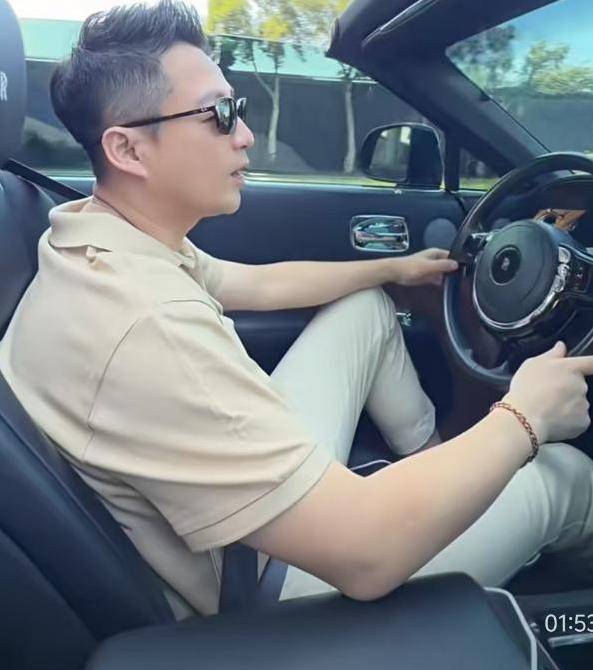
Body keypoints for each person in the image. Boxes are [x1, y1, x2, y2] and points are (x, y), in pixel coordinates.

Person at [2, 0, 593, 618]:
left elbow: (255, 285)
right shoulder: (148, 325)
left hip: (244, 512)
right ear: (128, 150)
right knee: (563, 476)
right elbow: (364, 555)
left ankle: (432, 470)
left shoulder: (97, 237)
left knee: (364, 308)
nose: (245, 134)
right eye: (219, 115)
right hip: (260, 582)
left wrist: (392, 270)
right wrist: (526, 415)